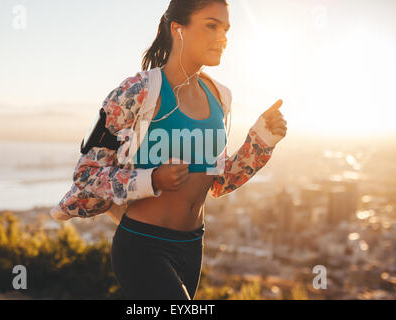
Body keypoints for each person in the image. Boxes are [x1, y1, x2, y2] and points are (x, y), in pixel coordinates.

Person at [54, 0, 287, 300]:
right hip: (142, 245)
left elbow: (219, 182)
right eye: (211, 25)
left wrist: (262, 139)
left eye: (226, 29)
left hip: (192, 247)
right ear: (178, 29)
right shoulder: (136, 92)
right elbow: (86, 174)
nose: (223, 37)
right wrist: (150, 180)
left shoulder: (220, 98)